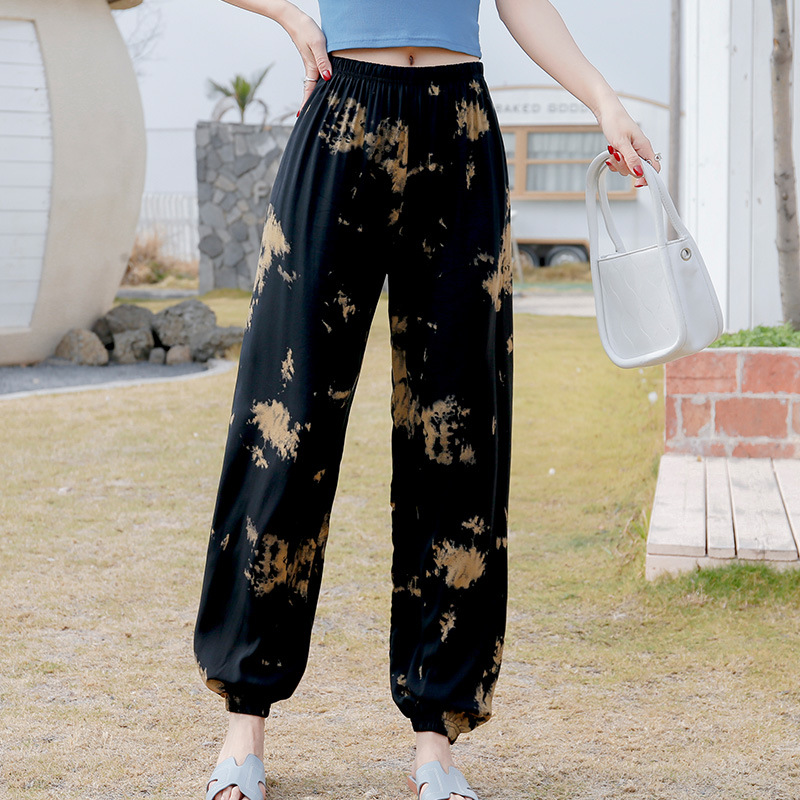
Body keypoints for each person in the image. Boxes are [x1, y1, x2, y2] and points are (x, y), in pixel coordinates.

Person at [195, 1, 660, 799]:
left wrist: (603, 101)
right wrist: (290, 19)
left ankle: (435, 740)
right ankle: (245, 725)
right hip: (342, 116)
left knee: (456, 434)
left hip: (460, 129)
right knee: (286, 424)